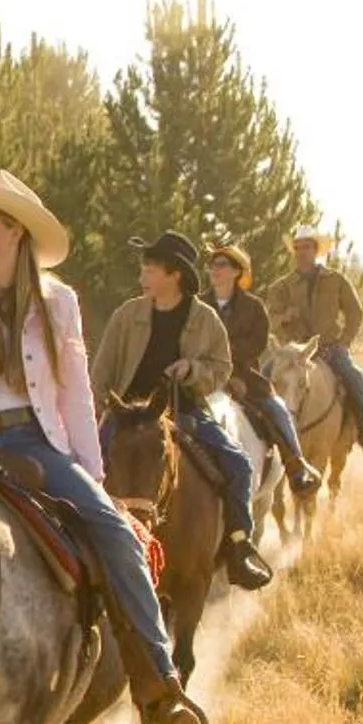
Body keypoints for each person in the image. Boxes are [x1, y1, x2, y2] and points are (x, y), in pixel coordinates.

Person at [0, 172, 209, 724]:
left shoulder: (59, 302)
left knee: (119, 537)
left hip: (35, 446)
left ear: (15, 232)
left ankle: (157, 685)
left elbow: (75, 393)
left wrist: (93, 476)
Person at [94, 229, 274, 590]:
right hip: (128, 416)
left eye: (149, 270)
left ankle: (238, 549)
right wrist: (107, 410)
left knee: (239, 466)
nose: (141, 277)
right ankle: (81, 551)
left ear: (174, 274)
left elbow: (221, 368)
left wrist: (192, 369)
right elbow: (101, 373)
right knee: (86, 466)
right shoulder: (127, 315)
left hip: (185, 411)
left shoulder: (204, 318)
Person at [207, 242, 324, 497]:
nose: (213, 270)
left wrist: (224, 357)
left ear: (237, 271)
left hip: (242, 374)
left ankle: (295, 464)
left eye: (221, 265)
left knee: (276, 408)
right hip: (202, 373)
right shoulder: (197, 305)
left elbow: (257, 342)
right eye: (211, 265)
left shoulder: (253, 306)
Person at [264, 226, 363, 451]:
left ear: (316, 250)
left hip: (329, 347)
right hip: (294, 351)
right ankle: (262, 432)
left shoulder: (335, 280)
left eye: (306, 247)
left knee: (353, 376)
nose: (301, 252)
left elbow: (355, 312)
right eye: (297, 248)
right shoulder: (281, 286)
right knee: (264, 375)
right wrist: (284, 317)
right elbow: (271, 319)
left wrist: (344, 341)